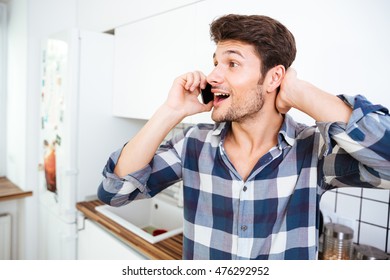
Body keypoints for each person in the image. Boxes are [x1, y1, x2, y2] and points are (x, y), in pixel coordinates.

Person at [97, 14, 390, 260]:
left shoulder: (314, 150)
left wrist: (304, 94)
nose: (213, 76)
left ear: (274, 78)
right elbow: (115, 193)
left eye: (232, 64)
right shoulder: (193, 145)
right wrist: (170, 111)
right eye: (215, 62)